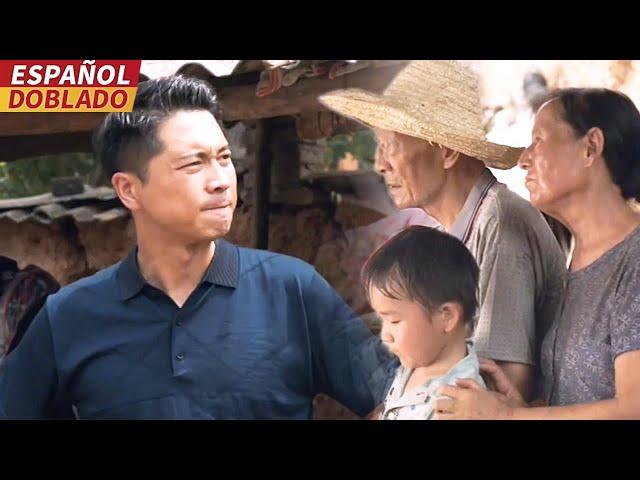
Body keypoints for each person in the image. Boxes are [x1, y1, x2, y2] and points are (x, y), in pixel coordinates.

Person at [0, 75, 397, 419]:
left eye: (224, 158)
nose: (221, 180)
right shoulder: (68, 316)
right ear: (129, 189)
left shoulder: (292, 289)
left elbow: (399, 401)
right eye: (194, 164)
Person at [320, 60, 566, 400]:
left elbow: (505, 383)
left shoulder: (499, 222)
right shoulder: (456, 227)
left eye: (391, 145)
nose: (380, 163)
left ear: (446, 151)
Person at [435, 88, 640, 419]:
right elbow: (587, 394)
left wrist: (508, 418)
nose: (523, 159)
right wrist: (523, 406)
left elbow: (633, 408)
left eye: (539, 140)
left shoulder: (634, 261)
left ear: (591, 147)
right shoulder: (578, 264)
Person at [363, 226, 485, 420]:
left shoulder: (456, 404)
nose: (385, 334)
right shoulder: (419, 359)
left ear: (447, 317)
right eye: (382, 320)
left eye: (394, 320)